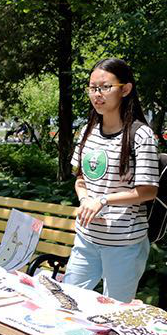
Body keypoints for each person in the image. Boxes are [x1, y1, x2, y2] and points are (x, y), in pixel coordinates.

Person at [64, 58, 160, 303]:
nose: (97, 94)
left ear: (125, 89)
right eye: (92, 88)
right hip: (87, 238)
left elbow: (148, 191)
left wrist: (103, 200)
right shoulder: (88, 131)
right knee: (67, 301)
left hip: (124, 243)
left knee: (115, 311)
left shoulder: (140, 135)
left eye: (105, 87)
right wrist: (86, 200)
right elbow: (80, 179)